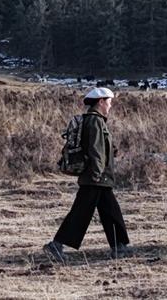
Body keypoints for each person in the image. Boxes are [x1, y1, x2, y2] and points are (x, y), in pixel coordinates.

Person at [44, 87, 133, 262]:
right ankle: (56, 245)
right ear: (101, 102)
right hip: (96, 177)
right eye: (109, 102)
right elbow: (96, 150)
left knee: (110, 211)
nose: (110, 106)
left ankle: (119, 246)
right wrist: (97, 173)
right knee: (81, 213)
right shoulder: (95, 121)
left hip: (98, 177)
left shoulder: (94, 120)